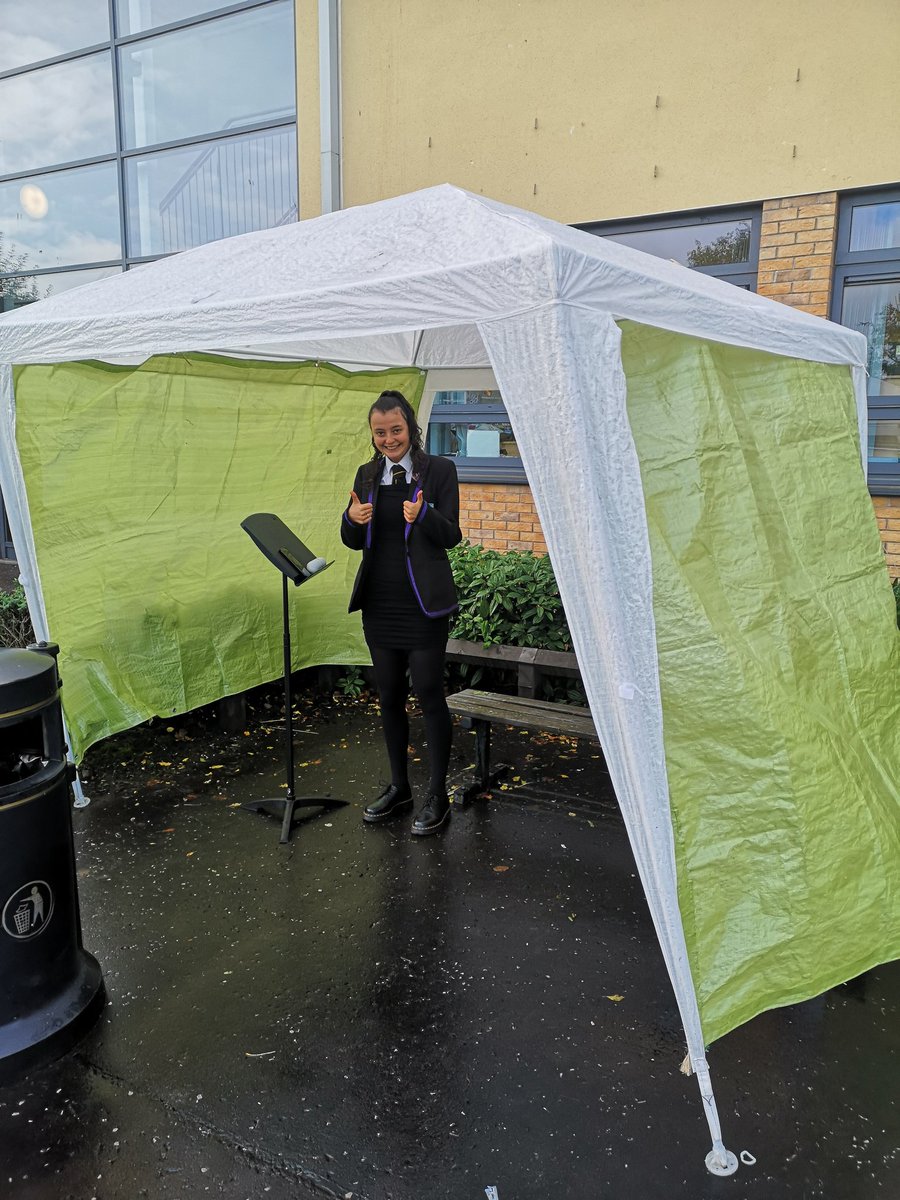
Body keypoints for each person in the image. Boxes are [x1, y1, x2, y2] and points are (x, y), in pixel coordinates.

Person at [341, 389, 462, 835]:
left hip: (424, 606)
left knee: (430, 696)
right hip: (381, 602)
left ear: (411, 428)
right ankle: (400, 787)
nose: (388, 439)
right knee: (389, 698)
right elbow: (353, 539)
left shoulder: (441, 471)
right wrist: (351, 520)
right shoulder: (367, 473)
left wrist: (424, 513)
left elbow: (452, 535)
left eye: (396, 430)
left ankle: (437, 794)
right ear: (372, 435)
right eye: (380, 432)